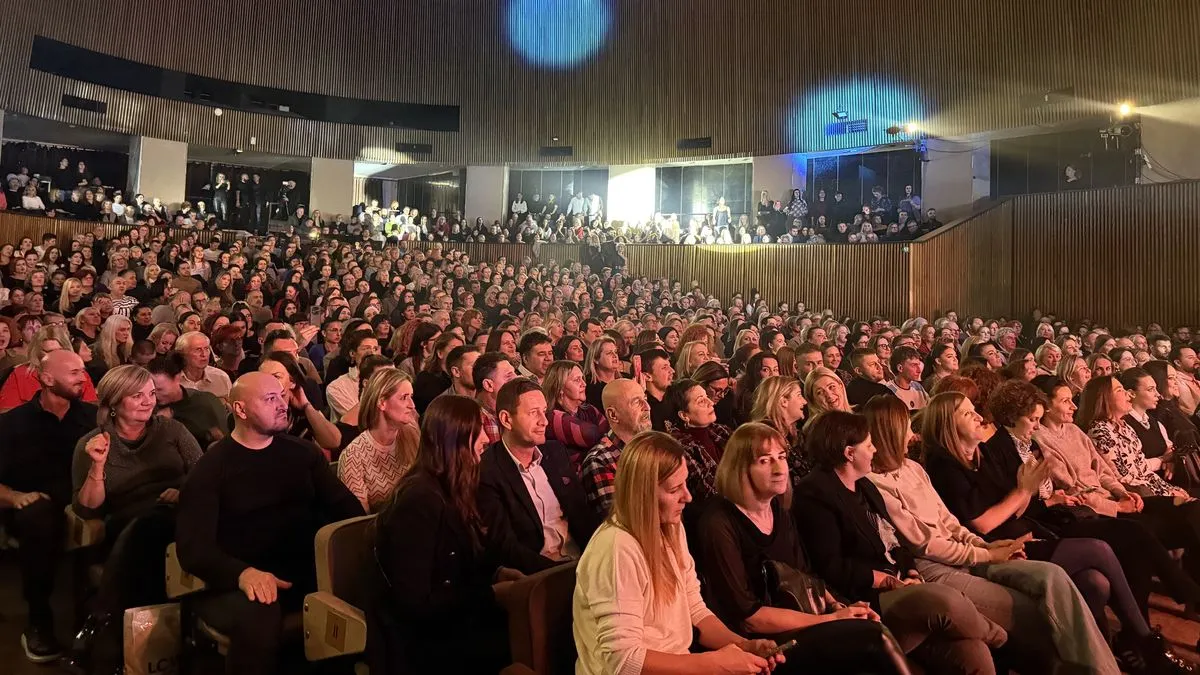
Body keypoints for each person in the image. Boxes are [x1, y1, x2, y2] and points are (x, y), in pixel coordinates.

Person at [863, 395, 1119, 674]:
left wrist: (987, 546)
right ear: (890, 432)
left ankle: (1101, 668)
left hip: (976, 550)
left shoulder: (914, 468)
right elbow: (927, 543)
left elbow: (949, 521)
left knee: (1055, 576)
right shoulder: (880, 482)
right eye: (906, 428)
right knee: (1049, 605)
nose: (913, 435)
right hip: (941, 566)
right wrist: (987, 551)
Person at [921, 391, 1177, 669]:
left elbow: (1015, 508)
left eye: (975, 410)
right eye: (968, 413)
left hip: (1023, 530)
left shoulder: (980, 455)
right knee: (1100, 548)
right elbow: (982, 524)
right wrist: (1024, 490)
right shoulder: (943, 463)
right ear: (947, 422)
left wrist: (1027, 494)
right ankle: (1143, 642)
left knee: (1096, 583)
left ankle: (1078, 659)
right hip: (996, 546)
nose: (980, 417)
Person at [792, 411, 1011, 675]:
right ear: (849, 453)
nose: (875, 449)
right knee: (943, 599)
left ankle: (997, 647)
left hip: (901, 583)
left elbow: (896, 540)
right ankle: (1002, 639)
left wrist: (912, 573)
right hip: (868, 598)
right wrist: (887, 582)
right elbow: (831, 566)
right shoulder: (815, 493)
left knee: (973, 652)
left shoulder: (865, 486)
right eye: (869, 444)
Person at [697, 422, 922, 674]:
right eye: (764, 461)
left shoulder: (777, 509)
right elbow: (749, 618)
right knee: (875, 640)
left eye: (781, 457)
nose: (779, 468)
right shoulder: (719, 522)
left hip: (803, 619)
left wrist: (839, 606)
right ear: (740, 469)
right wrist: (828, 620)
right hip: (763, 644)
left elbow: (806, 574)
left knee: (874, 627)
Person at [177, 372, 363, 675]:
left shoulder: (303, 454)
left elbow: (347, 509)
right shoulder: (211, 469)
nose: (282, 405)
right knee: (260, 615)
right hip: (237, 584)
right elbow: (193, 548)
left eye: (281, 396)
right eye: (269, 399)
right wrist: (242, 573)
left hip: (303, 571)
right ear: (240, 410)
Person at [572, 431, 784, 675]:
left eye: (685, 483)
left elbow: (694, 610)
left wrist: (742, 646)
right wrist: (714, 664)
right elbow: (623, 661)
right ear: (644, 494)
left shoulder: (670, 527)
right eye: (675, 489)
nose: (688, 496)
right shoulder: (616, 548)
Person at [67, 365, 202, 673]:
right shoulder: (92, 443)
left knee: (153, 528)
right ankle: (149, 650)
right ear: (113, 403)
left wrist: (182, 490)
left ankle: (105, 624)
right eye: (136, 395)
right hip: (125, 522)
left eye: (152, 394)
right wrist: (97, 466)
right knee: (146, 531)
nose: (148, 402)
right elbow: (87, 509)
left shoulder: (172, 430)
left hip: (177, 515)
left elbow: (203, 475)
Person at [370, 395, 518, 675]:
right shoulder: (418, 501)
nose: (486, 438)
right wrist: (490, 593)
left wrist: (497, 574)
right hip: (428, 642)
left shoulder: (455, 486)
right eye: (478, 431)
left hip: (459, 618)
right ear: (456, 439)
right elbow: (414, 602)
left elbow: (465, 561)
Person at [0, 350, 95, 663]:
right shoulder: (12, 424)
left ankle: (94, 620)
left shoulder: (91, 418)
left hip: (84, 500)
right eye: (73, 372)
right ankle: (39, 620)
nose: (81, 377)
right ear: (47, 378)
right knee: (39, 518)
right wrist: (14, 497)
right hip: (36, 506)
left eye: (82, 371)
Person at [477, 377, 596, 573]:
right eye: (534, 413)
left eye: (544, 411)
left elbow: (581, 514)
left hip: (582, 561)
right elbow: (505, 546)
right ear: (507, 419)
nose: (544, 421)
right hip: (538, 575)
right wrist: (561, 573)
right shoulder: (488, 470)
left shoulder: (555, 452)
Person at [337, 369, 418, 513]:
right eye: (404, 397)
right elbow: (359, 520)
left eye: (411, 396)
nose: (412, 405)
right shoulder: (354, 455)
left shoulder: (414, 435)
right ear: (382, 403)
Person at [579, 378, 652, 519]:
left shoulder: (652, 445)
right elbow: (619, 520)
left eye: (645, 398)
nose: (647, 407)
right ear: (613, 415)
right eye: (637, 402)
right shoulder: (599, 460)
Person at [665, 378, 733, 521]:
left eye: (707, 397)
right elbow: (709, 491)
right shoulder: (678, 448)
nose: (711, 403)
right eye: (701, 401)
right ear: (684, 415)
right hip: (711, 517)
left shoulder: (720, 431)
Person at [147, 352, 229, 448]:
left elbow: (222, 439)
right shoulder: (147, 407)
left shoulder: (204, 402)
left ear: (177, 378)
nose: (154, 395)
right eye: (151, 390)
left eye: (160, 389)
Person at [542, 360, 608, 472]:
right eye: (577, 380)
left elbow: (608, 432)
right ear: (560, 387)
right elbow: (591, 435)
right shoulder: (552, 416)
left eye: (582, 378)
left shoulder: (589, 409)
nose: (584, 384)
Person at [750, 376, 812, 486]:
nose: (804, 401)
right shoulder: (765, 438)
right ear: (784, 401)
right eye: (799, 395)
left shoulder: (793, 434)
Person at [325, 330, 380, 422]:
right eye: (366, 348)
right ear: (352, 353)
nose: (372, 353)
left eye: (375, 349)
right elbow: (360, 420)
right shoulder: (337, 387)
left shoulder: (388, 377)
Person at [472, 351, 517, 444]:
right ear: (488, 385)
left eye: (515, 373)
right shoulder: (473, 420)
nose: (516, 379)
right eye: (509, 377)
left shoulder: (514, 410)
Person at [175, 331, 233, 399]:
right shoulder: (170, 380)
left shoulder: (221, 378)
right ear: (182, 354)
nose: (204, 354)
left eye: (206, 349)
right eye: (198, 349)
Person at [639, 347, 674, 431]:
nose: (672, 371)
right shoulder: (643, 408)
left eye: (670, 366)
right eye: (665, 368)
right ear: (647, 376)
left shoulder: (676, 395)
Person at [886, 346, 930, 410]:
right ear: (900, 368)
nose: (919, 370)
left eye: (918, 364)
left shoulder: (918, 387)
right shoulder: (889, 390)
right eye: (914, 365)